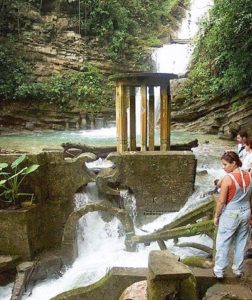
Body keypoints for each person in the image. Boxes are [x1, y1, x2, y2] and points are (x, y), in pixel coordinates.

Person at [213, 151, 252, 279]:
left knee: (223, 241)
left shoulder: (228, 179)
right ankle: (238, 270)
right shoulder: (250, 176)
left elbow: (221, 201)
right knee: (242, 241)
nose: (223, 167)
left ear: (234, 163)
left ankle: (219, 271)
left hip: (231, 213)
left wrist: (216, 216)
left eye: (225, 164)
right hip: (246, 211)